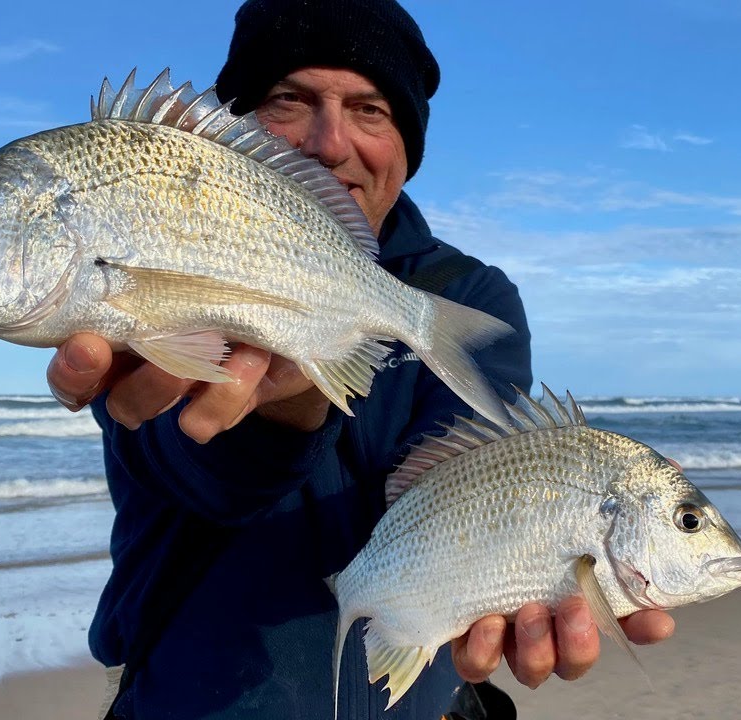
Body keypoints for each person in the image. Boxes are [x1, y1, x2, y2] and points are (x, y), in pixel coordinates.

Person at [47, 0, 675, 717]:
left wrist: (584, 506)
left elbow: (466, 481)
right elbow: (195, 480)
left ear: (407, 145)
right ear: (230, 131)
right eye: (290, 99)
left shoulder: (466, 297)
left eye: (371, 109)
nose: (328, 142)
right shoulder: (155, 248)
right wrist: (285, 405)